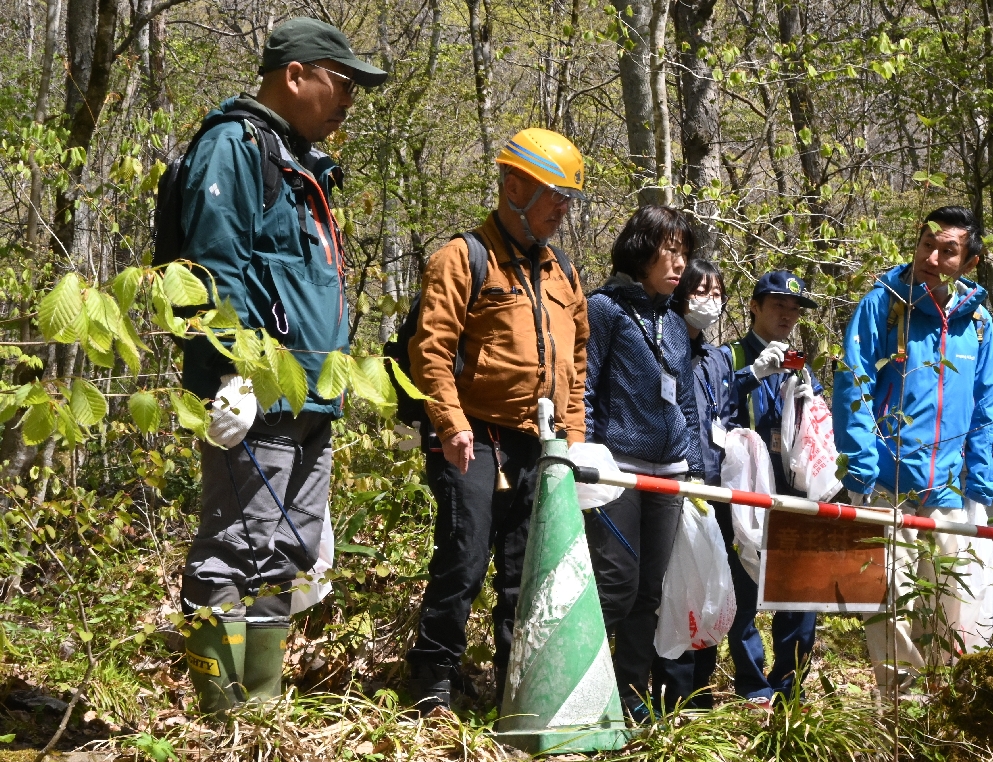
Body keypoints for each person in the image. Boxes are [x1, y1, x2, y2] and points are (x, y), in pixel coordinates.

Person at [178, 18, 388, 714]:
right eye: (342, 81)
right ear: (295, 75)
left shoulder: (301, 163)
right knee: (234, 547)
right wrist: (234, 372)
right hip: (256, 394)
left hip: (312, 397)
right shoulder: (232, 148)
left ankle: (260, 711)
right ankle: (219, 716)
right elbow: (213, 268)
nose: (349, 99)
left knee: (286, 555)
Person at [403, 129, 589, 716]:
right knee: (464, 556)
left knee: (527, 572)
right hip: (471, 436)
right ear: (514, 187)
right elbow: (430, 349)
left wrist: (575, 445)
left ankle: (520, 689)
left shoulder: (563, 275)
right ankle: (432, 680)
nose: (564, 209)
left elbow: (577, 364)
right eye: (555, 195)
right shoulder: (462, 258)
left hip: (541, 443)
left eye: (569, 198)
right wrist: (449, 422)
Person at [832, 205, 993, 692]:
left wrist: (980, 488)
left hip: (949, 496)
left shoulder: (979, 324)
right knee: (891, 608)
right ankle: (902, 715)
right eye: (925, 244)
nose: (931, 256)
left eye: (947, 250)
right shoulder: (883, 305)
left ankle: (946, 714)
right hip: (889, 490)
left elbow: (988, 406)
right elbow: (855, 387)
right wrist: (861, 474)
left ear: (968, 263)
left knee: (954, 611)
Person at [583, 206, 704, 722]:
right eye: (668, 250)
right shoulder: (603, 309)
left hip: (670, 474)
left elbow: (688, 405)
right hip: (615, 470)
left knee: (650, 592)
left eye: (684, 253)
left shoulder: (675, 323)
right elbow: (583, 385)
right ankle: (580, 692)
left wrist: (694, 464)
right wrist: (582, 452)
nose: (679, 263)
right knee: (616, 583)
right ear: (641, 249)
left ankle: (630, 698)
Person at [723, 270, 822, 705]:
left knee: (799, 590)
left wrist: (808, 395)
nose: (787, 314)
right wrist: (752, 375)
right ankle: (751, 683)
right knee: (743, 589)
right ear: (755, 306)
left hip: (793, 489)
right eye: (778, 304)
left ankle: (788, 684)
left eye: (794, 308)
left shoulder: (801, 363)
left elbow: (817, 428)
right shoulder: (728, 356)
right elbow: (712, 404)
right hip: (744, 486)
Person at [652, 258, 737, 710]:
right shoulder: (663, 347)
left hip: (714, 490)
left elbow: (726, 418)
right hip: (672, 485)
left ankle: (701, 697)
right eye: (701, 291)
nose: (710, 301)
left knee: (709, 583)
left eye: (718, 293)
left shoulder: (717, 358)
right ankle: (670, 698)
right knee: (673, 591)